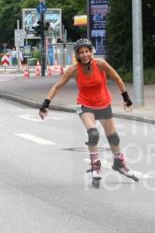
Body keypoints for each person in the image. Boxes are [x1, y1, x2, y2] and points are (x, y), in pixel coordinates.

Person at [39, 38, 137, 186]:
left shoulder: (101, 64)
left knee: (114, 138)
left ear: (91, 52)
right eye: (81, 52)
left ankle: (119, 163)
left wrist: (126, 98)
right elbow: (58, 86)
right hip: (85, 105)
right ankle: (96, 167)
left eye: (87, 51)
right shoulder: (73, 70)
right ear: (77, 55)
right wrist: (45, 104)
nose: (84, 54)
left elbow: (116, 77)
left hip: (103, 103)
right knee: (93, 134)